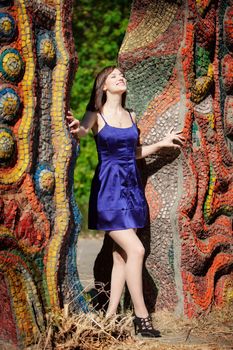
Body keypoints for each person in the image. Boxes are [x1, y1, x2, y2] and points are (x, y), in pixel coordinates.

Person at [66, 66, 184, 337]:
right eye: (114, 76)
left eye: (122, 75)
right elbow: (82, 132)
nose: (121, 78)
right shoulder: (96, 114)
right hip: (108, 190)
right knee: (137, 250)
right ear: (104, 86)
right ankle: (142, 318)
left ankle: (109, 319)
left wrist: (163, 143)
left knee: (120, 256)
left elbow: (134, 152)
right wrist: (75, 126)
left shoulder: (131, 116)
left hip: (131, 190)